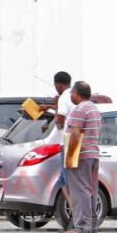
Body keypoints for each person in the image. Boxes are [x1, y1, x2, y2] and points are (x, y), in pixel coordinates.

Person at [65, 81, 102, 233]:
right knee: (90, 190)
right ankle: (91, 226)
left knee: (79, 191)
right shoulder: (94, 108)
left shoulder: (79, 110)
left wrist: (70, 158)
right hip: (93, 153)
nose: (71, 96)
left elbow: (75, 133)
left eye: (71, 93)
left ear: (76, 93)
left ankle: (81, 226)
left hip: (81, 154)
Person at [40, 71, 75, 208]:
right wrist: (51, 106)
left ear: (58, 85)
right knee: (65, 179)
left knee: (67, 180)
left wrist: (54, 108)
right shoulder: (76, 96)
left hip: (68, 143)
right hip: (79, 141)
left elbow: (60, 124)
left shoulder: (63, 98)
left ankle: (75, 211)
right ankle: (73, 210)